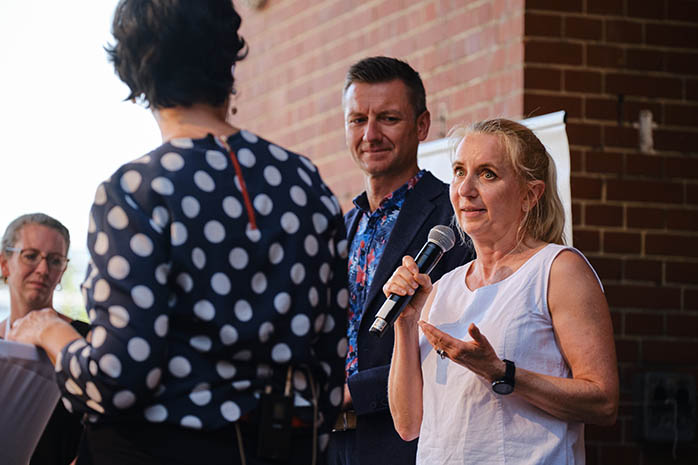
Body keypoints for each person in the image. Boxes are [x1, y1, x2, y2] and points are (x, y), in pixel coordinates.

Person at [7, 1, 348, 464]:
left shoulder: (136, 192)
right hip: (293, 448)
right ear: (228, 57)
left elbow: (117, 380)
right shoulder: (304, 180)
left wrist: (51, 331)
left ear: (134, 70)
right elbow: (329, 363)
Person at [385, 118, 619, 464]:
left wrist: (501, 372)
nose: (465, 189)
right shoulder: (443, 287)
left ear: (529, 194)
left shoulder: (557, 269)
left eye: (487, 174)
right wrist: (404, 324)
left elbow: (603, 402)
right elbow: (408, 425)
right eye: (460, 172)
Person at [327, 57, 474, 465]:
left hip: (403, 442)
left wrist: (351, 392)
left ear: (422, 125)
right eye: (357, 120)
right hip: (328, 443)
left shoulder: (457, 218)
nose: (370, 134)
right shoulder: (343, 224)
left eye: (388, 118)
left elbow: (454, 337)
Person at [0, 213, 88, 465]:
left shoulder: (86, 340)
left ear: (62, 272)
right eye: (30, 256)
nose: (43, 269)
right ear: (4, 264)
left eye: (55, 260)